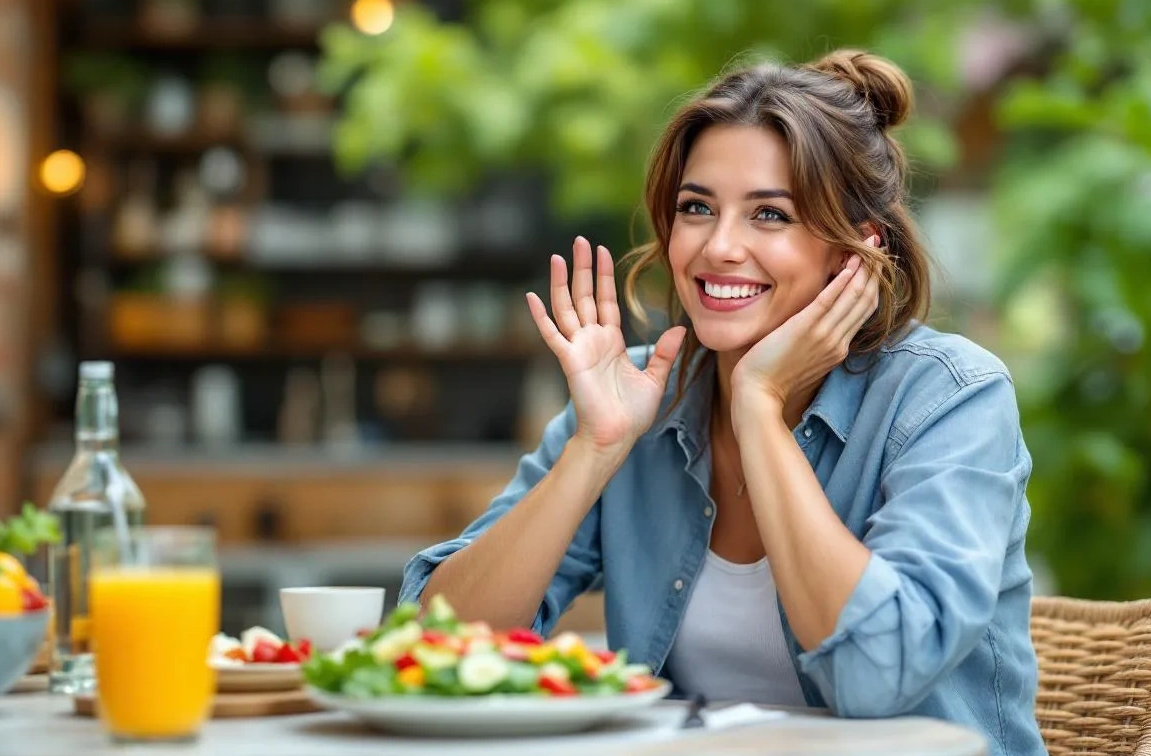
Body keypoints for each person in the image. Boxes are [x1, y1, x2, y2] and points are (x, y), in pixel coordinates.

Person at [398, 49, 1042, 754]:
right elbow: (431, 644)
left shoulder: (949, 398)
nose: (719, 247)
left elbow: (875, 677)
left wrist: (759, 409)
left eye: (770, 215)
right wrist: (595, 449)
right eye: (696, 208)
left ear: (851, 252)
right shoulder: (641, 393)